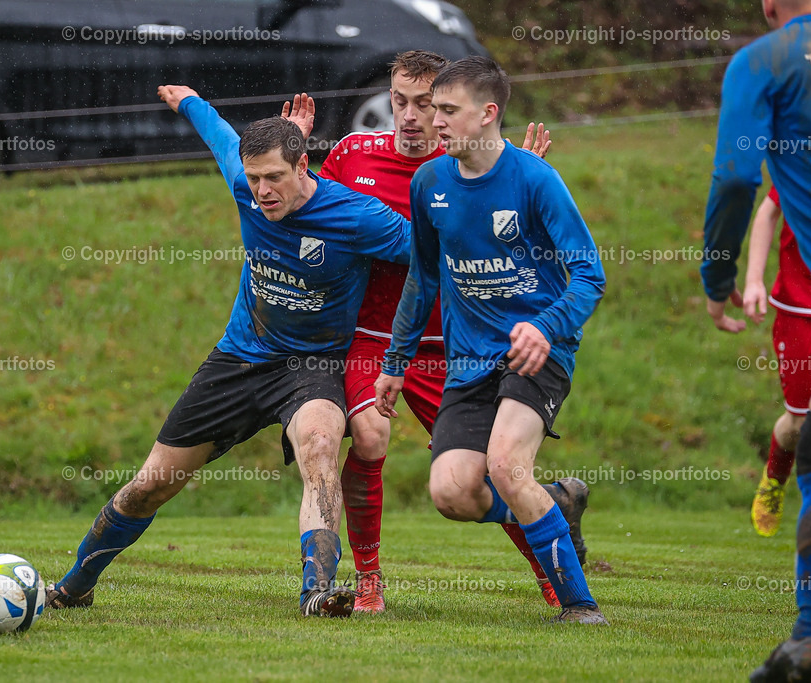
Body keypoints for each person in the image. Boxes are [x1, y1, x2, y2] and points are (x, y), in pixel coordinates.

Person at [44, 83, 414, 618]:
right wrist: (188, 99)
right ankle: (75, 583)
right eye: (255, 178)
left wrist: (502, 188)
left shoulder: (357, 217)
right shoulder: (244, 181)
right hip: (239, 359)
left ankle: (319, 591)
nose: (262, 191)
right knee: (151, 485)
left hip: (312, 368)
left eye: (275, 178)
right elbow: (217, 131)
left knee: (318, 448)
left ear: (303, 165)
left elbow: (434, 251)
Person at [283, 50, 582, 613]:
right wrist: (295, 156)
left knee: (489, 473)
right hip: (377, 338)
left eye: (427, 103)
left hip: (458, 346)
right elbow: (309, 209)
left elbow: (524, 239)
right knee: (368, 437)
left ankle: (551, 565)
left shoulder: (469, 164)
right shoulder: (353, 153)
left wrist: (522, 180)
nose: (412, 115)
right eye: (400, 100)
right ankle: (369, 577)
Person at [373, 56, 608, 624]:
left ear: (488, 114)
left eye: (446, 111)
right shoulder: (430, 183)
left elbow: (589, 274)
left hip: (538, 353)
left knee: (505, 465)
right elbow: (423, 277)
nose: (435, 122)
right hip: (468, 362)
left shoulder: (534, 178)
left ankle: (580, 606)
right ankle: (555, 504)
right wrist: (396, 360)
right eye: (433, 110)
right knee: (453, 493)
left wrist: (546, 327)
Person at [700, 1, 811, 678]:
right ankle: (808, 636)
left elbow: (736, 176)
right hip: (805, 306)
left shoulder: (768, 61)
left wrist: (716, 276)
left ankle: (810, 636)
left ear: (768, 4)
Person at [740, 186, 811, 538]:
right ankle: (776, 476)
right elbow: (767, 213)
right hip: (802, 307)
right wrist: (753, 279)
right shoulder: (806, 153)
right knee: (800, 422)